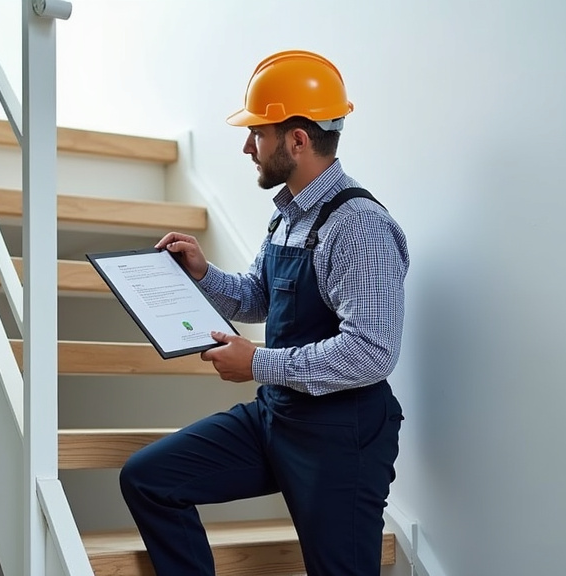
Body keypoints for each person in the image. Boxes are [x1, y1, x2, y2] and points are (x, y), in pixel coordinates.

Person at [119, 49, 409, 576]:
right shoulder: (288, 218)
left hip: (342, 436)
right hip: (279, 416)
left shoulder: (359, 225)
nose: (247, 146)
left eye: (259, 133)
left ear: (297, 139)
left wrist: (257, 363)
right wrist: (203, 274)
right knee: (149, 479)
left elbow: (371, 354)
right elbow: (258, 295)